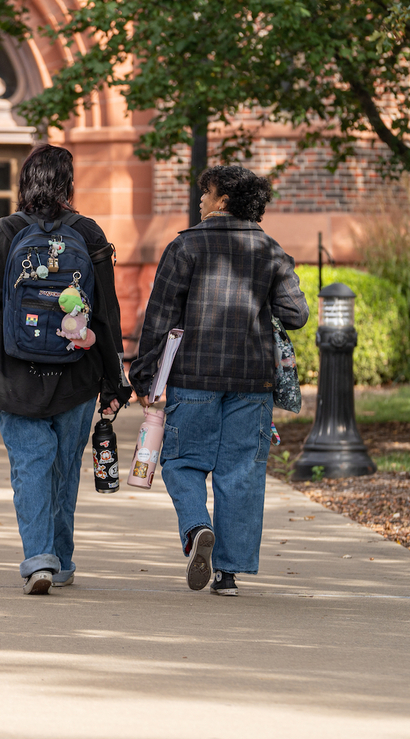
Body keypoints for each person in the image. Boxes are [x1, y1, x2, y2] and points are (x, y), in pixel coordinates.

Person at [129, 164, 308, 597]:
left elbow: (159, 318)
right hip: (253, 382)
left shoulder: (186, 246)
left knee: (182, 462)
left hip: (194, 376)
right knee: (241, 472)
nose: (201, 201)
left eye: (206, 193)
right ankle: (228, 574)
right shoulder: (270, 250)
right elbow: (296, 314)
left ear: (223, 198)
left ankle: (196, 528)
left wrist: (143, 375)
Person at [0, 144, 128, 594]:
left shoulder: (4, 233)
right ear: (68, 185)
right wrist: (114, 379)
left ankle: (38, 559)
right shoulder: (89, 234)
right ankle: (63, 560)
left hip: (14, 371)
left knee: (29, 465)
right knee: (63, 468)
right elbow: (106, 313)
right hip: (76, 373)